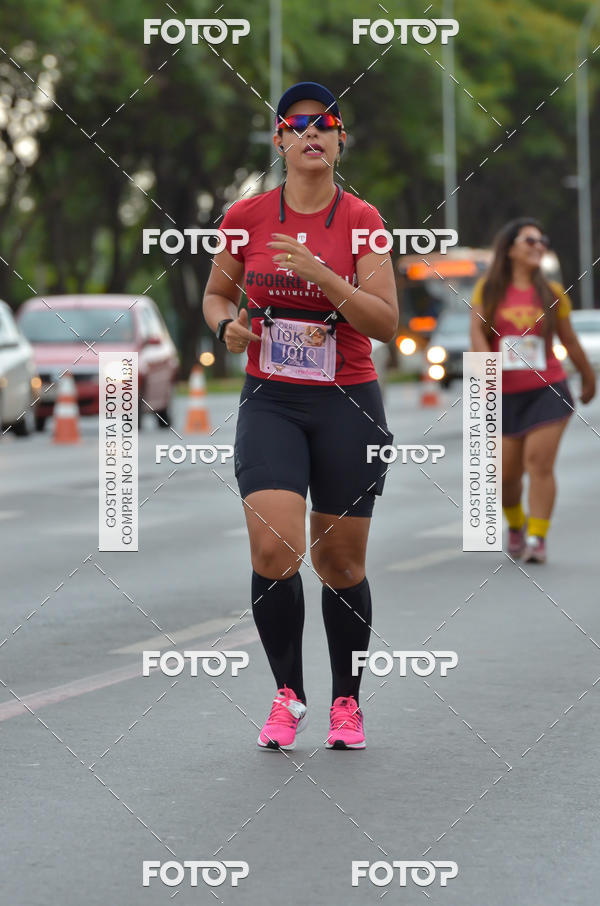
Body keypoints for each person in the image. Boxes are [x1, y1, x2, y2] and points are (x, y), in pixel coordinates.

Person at [202, 82, 398, 750]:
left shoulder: (362, 218)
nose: (311, 133)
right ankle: (289, 695)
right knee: (273, 546)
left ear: (340, 141)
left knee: (339, 563)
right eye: (297, 124)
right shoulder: (246, 215)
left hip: (346, 399)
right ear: (280, 140)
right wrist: (227, 326)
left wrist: (323, 275)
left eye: (326, 124)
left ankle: (348, 700)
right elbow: (216, 293)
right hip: (272, 399)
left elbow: (385, 322)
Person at [470, 218, 596, 563]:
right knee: (508, 476)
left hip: (548, 390)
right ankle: (516, 526)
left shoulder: (551, 293)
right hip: (504, 395)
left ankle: (538, 538)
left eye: (543, 240)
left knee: (538, 463)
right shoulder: (489, 290)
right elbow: (478, 334)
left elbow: (568, 339)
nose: (538, 245)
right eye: (530, 240)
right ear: (510, 248)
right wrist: (486, 371)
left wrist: (588, 377)